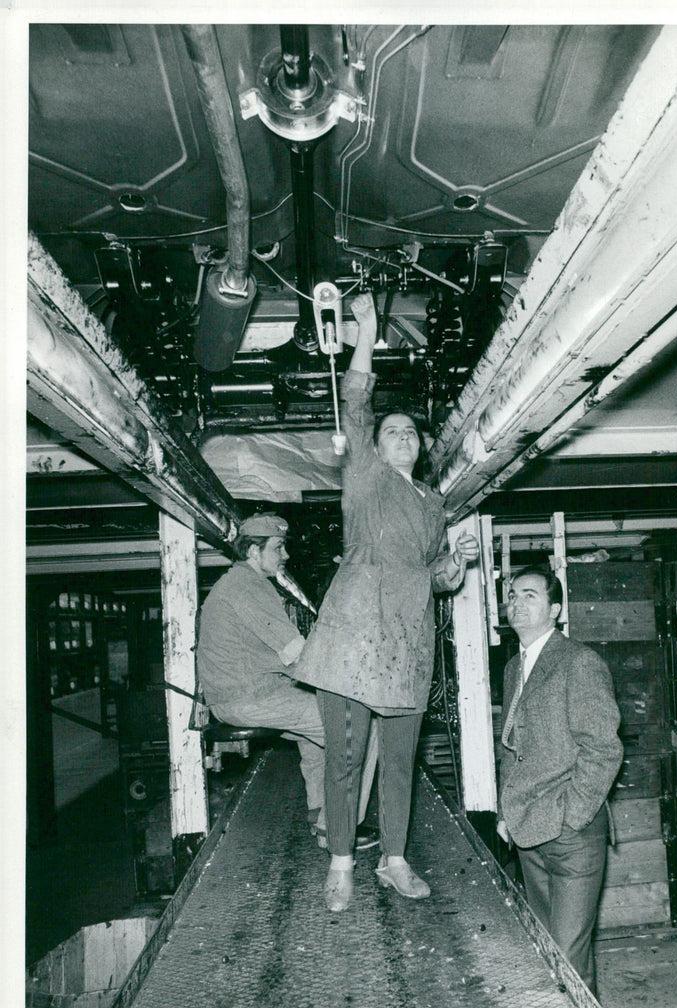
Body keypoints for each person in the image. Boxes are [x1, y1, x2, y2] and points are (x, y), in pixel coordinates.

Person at [294, 293, 479, 912]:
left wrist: (452, 567)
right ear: (376, 447)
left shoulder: (433, 502)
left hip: (406, 643)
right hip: (352, 640)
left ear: (422, 447)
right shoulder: (366, 479)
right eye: (391, 432)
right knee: (346, 760)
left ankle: (393, 861)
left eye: (410, 433)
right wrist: (367, 334)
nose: (402, 437)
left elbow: (436, 578)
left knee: (400, 764)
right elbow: (355, 403)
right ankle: (343, 864)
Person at [497, 567, 623, 993]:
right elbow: (511, 746)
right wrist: (505, 811)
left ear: (554, 609)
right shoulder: (514, 667)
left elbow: (604, 748)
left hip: (571, 834)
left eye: (529, 595)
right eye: (512, 595)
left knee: (569, 958)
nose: (516, 602)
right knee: (547, 949)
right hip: (528, 829)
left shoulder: (579, 662)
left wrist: (573, 815)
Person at [197, 515, 329, 841]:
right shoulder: (249, 587)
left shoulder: (236, 583)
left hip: (243, 694)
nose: (286, 556)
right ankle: (337, 826)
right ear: (254, 552)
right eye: (279, 547)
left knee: (314, 735)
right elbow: (296, 651)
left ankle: (320, 811)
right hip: (249, 698)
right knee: (349, 726)